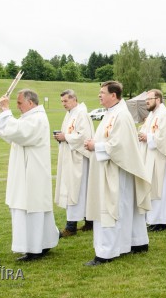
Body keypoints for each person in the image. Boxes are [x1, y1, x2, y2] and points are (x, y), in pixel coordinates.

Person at [83, 81, 151, 266]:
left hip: (116, 170)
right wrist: (94, 143)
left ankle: (106, 252)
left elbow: (119, 145)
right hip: (110, 167)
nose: (99, 95)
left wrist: (95, 145)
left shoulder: (121, 115)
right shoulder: (110, 113)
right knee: (123, 207)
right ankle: (136, 242)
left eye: (102, 92)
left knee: (111, 207)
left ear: (113, 95)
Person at [0, 89, 59, 261]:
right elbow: (11, 134)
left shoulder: (37, 118)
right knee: (29, 207)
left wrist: (6, 112)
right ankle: (41, 243)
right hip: (25, 171)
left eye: (19, 103)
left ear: (30, 102)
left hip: (32, 173)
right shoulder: (29, 118)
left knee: (32, 207)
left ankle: (34, 248)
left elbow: (20, 133)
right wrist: (3, 114)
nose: (17, 106)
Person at [54, 89, 95, 237]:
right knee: (79, 191)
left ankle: (71, 227)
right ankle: (89, 222)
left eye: (65, 101)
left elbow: (84, 136)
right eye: (62, 101)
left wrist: (66, 137)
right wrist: (62, 137)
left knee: (76, 190)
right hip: (70, 157)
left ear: (74, 99)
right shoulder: (71, 114)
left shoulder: (81, 114)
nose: (63, 104)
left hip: (78, 160)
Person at [139, 89, 166, 232]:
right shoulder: (152, 115)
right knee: (152, 189)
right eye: (146, 99)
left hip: (161, 160)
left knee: (160, 189)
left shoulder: (164, 116)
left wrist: (148, 137)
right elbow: (146, 131)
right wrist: (142, 134)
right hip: (151, 158)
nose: (146, 102)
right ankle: (152, 219)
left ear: (158, 99)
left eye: (149, 99)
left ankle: (160, 221)